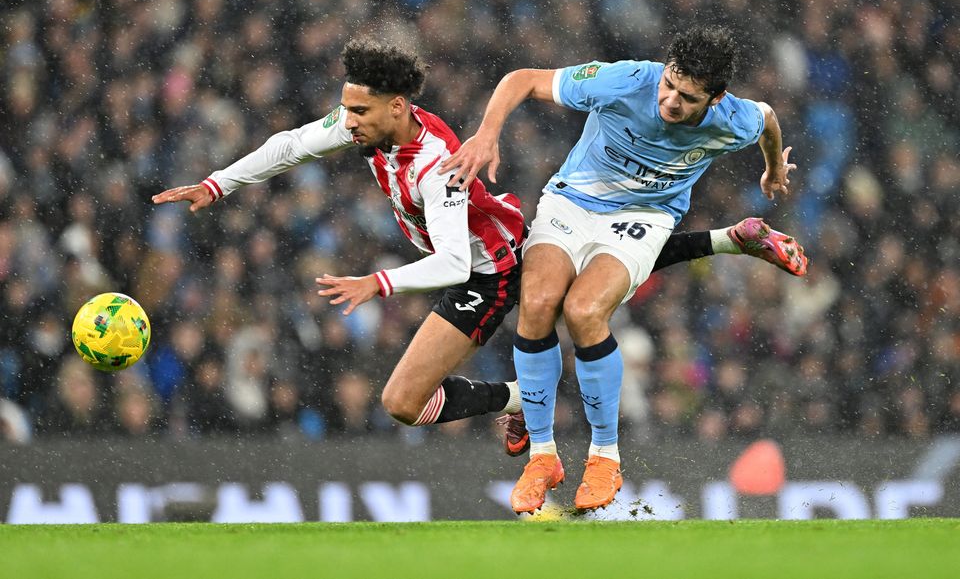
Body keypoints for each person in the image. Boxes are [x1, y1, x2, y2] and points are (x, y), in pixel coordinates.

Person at [153, 36, 805, 458]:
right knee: (414, 399)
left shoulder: (436, 166)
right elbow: (294, 142)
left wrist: (375, 283)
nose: (345, 122)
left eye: (357, 112)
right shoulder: (367, 128)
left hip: (485, 270)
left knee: (409, 398)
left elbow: (453, 263)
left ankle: (534, 400)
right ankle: (525, 395)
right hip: (486, 258)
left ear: (397, 107)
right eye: (345, 110)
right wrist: (218, 183)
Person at [441, 25, 800, 512]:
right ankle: (543, 457)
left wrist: (773, 168)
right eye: (669, 84)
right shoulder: (625, 79)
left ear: (715, 100)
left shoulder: (734, 120)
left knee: (585, 311)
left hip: (644, 217)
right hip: (572, 201)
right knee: (540, 301)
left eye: (687, 97)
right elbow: (523, 78)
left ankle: (604, 457)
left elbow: (768, 118)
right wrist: (487, 134)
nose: (670, 100)